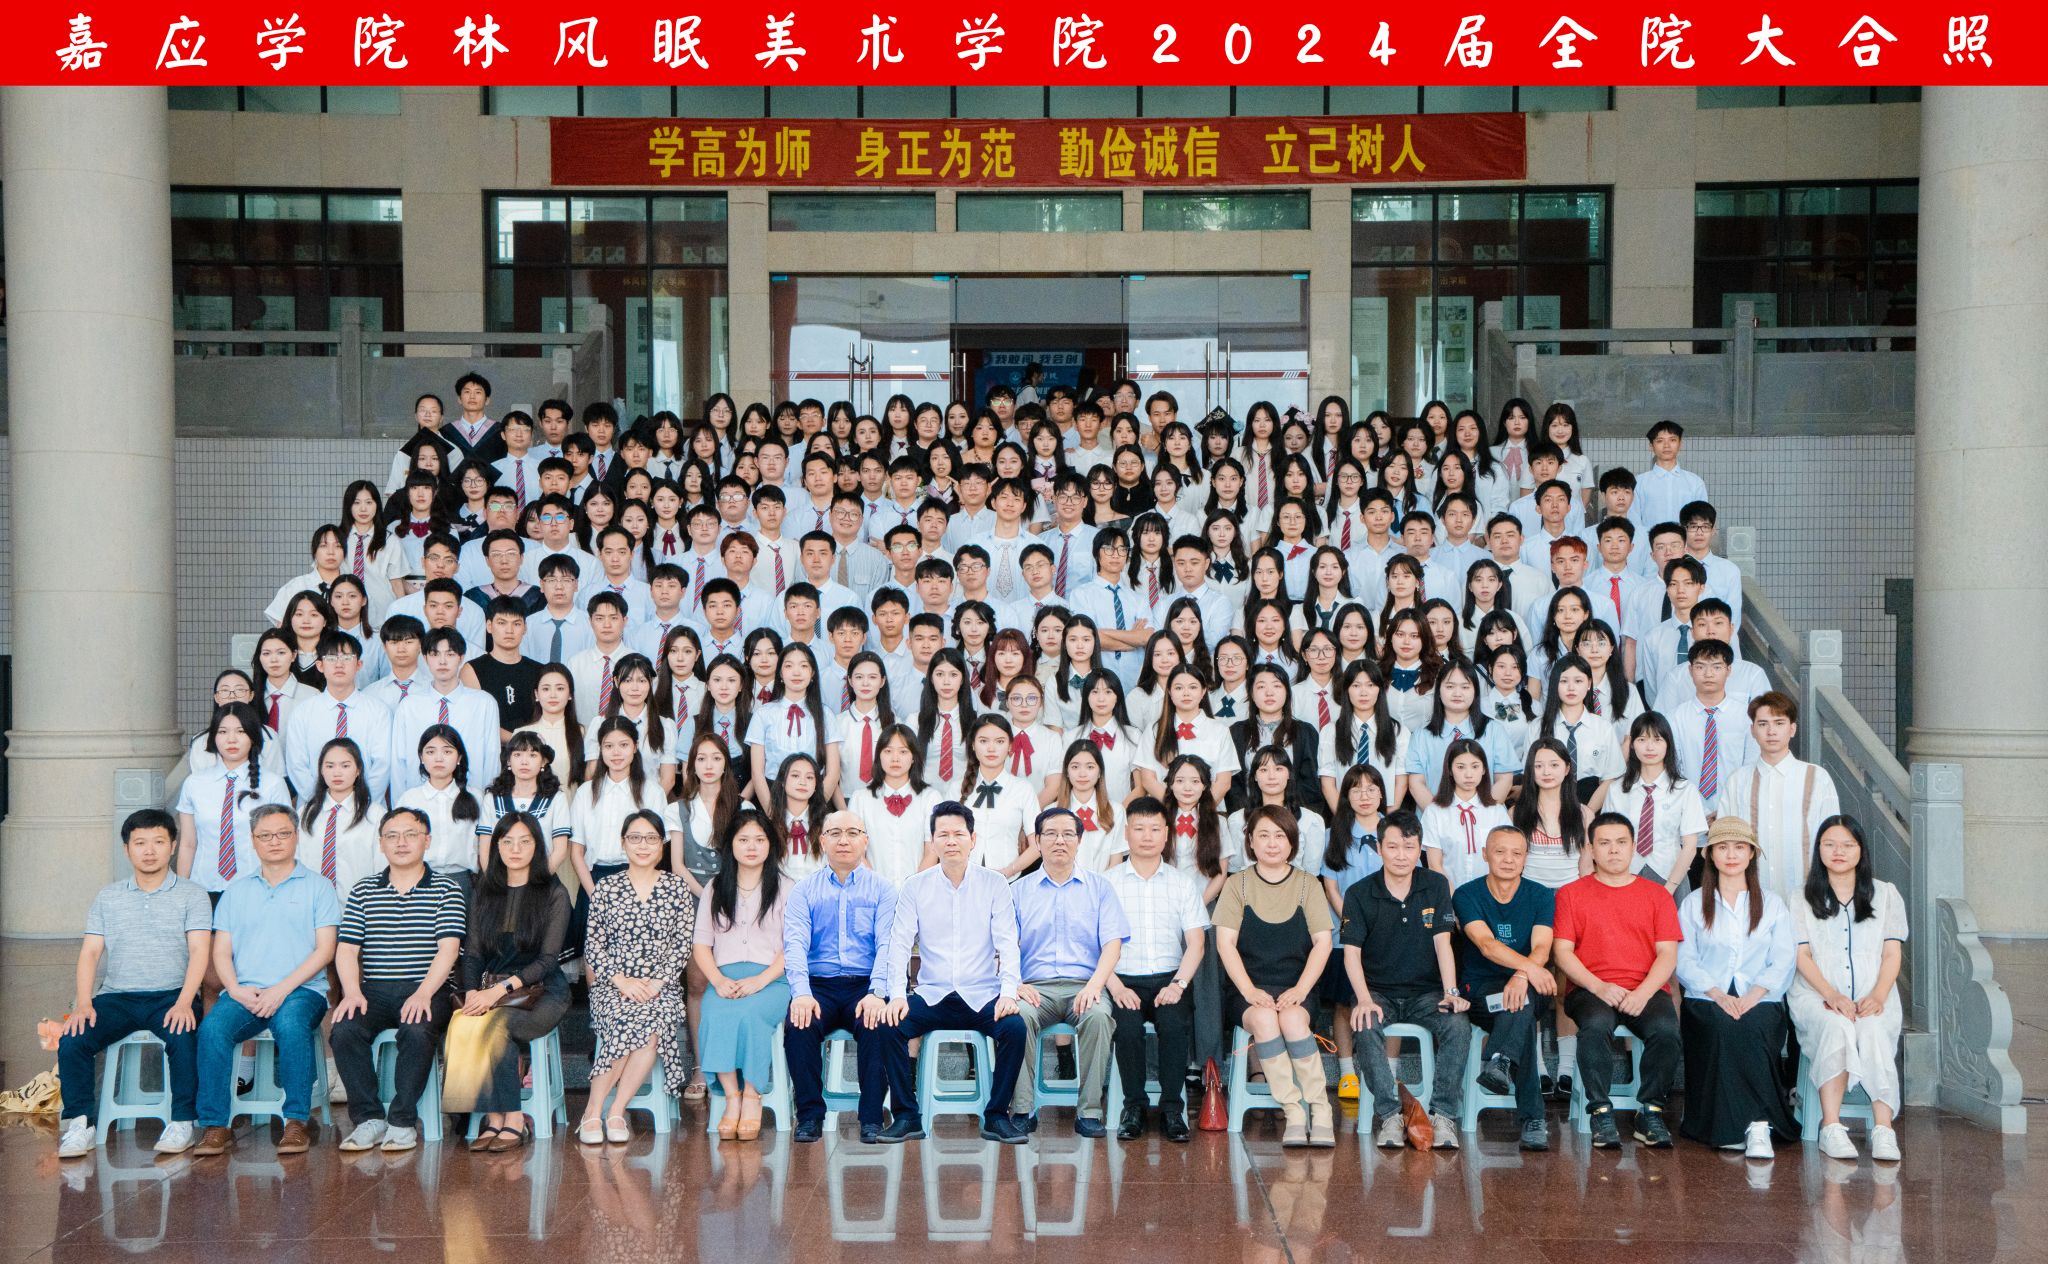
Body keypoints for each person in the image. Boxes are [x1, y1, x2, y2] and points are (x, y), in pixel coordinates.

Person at [56, 809, 214, 1158]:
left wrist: (185, 1001)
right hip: (117, 997)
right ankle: (80, 1123)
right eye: (140, 843)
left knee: (183, 1036)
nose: (149, 851)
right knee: (73, 1039)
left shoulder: (192, 894)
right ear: (127, 849)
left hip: (171, 995)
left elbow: (199, 951)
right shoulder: (108, 897)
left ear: (173, 846)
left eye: (158, 842)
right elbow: (90, 953)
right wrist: (84, 1002)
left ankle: (182, 1122)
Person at [874, 802, 1032, 1145]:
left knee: (1014, 1028)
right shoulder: (915, 886)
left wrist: (1008, 993)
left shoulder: (994, 884)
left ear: (973, 839)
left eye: (958, 834)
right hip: (933, 995)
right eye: (942, 834)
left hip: (982, 994)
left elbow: (1008, 943)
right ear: (932, 841)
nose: (950, 841)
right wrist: (897, 995)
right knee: (889, 1025)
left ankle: (996, 1116)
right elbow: (899, 944)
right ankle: (906, 1116)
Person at [192, 804, 343, 1158]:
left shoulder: (319, 887)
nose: (274, 841)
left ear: (296, 837)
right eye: (265, 835)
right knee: (212, 1029)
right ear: (253, 840)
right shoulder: (236, 891)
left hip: (302, 991)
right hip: (246, 991)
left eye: (282, 834)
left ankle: (296, 1121)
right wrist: (235, 989)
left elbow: (325, 950)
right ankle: (215, 1125)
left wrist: (281, 989)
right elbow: (221, 952)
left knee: (291, 1025)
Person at [329, 806, 467, 1153]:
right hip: (374, 990)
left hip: (428, 988)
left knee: (417, 1030)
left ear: (427, 840)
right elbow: (347, 949)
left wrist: (423, 993)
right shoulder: (363, 890)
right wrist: (352, 992)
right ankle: (369, 1119)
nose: (401, 842)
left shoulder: (446, 889)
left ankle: (402, 1121)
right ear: (381, 843)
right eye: (392, 836)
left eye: (410, 835)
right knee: (344, 1029)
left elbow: (448, 949)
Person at [1551, 812, 1683, 1150]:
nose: (1613, 850)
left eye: (1621, 842)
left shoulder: (1657, 895)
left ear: (1633, 847)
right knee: (1595, 1027)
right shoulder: (1571, 894)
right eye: (1605, 843)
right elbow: (1562, 952)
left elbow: (1667, 954)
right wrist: (1598, 986)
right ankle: (1600, 1112)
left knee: (1666, 1031)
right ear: (1591, 849)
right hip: (1590, 988)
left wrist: (1643, 993)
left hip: (1645, 988)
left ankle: (1650, 1112)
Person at [1342, 809, 1470, 1150]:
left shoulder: (1435, 885)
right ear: (1379, 848)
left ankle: (1443, 1115)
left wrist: (1450, 991)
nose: (1401, 855)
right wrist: (1364, 998)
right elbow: (1351, 954)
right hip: (1378, 992)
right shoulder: (1359, 893)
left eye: (1409, 847)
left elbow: (1443, 942)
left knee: (1457, 1023)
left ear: (1419, 850)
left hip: (1426, 993)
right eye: (1393, 847)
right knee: (1365, 1023)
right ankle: (1390, 1115)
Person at [1674, 816, 1798, 1158]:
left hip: (1762, 999)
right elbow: (1684, 959)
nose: (1731, 855)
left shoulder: (1771, 904)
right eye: (1723, 847)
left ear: (1751, 854)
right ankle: (1742, 1124)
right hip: (1705, 997)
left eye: (1740, 847)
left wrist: (1753, 996)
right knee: (1723, 1025)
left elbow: (1783, 959)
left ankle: (1757, 1126)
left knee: (1752, 1026)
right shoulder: (1694, 903)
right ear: (1710, 854)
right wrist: (1717, 994)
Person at [450, 812, 573, 1151]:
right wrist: (472, 992)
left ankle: (514, 1119)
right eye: (507, 842)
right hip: (492, 987)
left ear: (537, 847)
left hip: (543, 991)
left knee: (496, 1025)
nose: (515, 849)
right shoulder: (484, 892)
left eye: (524, 842)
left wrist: (499, 991)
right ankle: (492, 1118)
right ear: (496, 847)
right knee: (464, 1021)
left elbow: (548, 961)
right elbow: (473, 953)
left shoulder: (553, 892)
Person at [1214, 805, 1335, 1148]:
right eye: (1263, 835)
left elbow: (1323, 943)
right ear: (1250, 842)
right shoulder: (1237, 884)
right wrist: (1249, 990)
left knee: (1294, 1020)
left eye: (1280, 836)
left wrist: (1301, 989)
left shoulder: (1308, 885)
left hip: (1297, 988)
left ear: (1292, 842)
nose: (1271, 843)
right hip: (1247, 990)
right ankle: (1294, 1112)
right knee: (1266, 1020)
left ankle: (1320, 1109)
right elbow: (1225, 944)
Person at [1007, 806, 1131, 1138]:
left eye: (1067, 834)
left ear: (1079, 840)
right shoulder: (1018, 891)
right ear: (1036, 841)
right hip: (1035, 987)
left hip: (1084, 985)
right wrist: (1015, 983)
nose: (1059, 841)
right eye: (1050, 834)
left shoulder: (1100, 887)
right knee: (1017, 1016)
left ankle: (1089, 1112)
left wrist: (1095, 985)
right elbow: (1002, 945)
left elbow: (1113, 945)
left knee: (1099, 1017)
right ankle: (1022, 1109)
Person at [1791, 815, 1907, 1163]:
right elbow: (1802, 955)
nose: (1838, 852)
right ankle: (1831, 1127)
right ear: (1818, 849)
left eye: (1847, 845)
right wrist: (1831, 995)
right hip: (1817, 995)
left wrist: (1878, 996)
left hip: (1874, 993)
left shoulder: (1886, 894)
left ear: (1861, 850)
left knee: (1871, 1029)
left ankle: (1883, 1129)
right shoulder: (1800, 897)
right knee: (1837, 1026)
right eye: (1829, 844)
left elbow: (1891, 953)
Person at [582, 810, 696, 1144]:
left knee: (651, 1023)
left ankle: (615, 1110)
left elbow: (682, 944)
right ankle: (592, 1111)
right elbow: (594, 946)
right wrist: (622, 981)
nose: (642, 845)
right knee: (623, 1017)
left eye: (650, 838)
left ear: (662, 845)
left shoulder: (676, 888)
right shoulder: (606, 888)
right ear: (623, 843)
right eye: (635, 838)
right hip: (612, 985)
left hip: (661, 987)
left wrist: (656, 983)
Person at [783, 810, 897, 1144]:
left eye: (852, 833)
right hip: (818, 985)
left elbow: (888, 944)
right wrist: (801, 992)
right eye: (834, 833)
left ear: (865, 840)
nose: (843, 840)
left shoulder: (883, 889)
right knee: (799, 1024)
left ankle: (872, 1118)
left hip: (866, 984)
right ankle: (809, 1116)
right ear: (822, 841)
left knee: (878, 1025)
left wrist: (877, 992)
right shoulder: (804, 890)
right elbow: (794, 943)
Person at [1105, 797, 1207, 1142]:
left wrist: (1179, 984)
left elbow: (1196, 943)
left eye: (1154, 829)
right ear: (1126, 833)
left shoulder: (1182, 883)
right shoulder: (1108, 883)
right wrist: (1116, 986)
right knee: (1127, 1029)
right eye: (1139, 829)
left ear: (1167, 834)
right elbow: (1094, 945)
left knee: (1175, 1025)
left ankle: (1172, 1109)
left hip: (1169, 979)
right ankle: (1133, 1107)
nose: (1146, 836)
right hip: (1123, 979)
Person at [1453, 824, 1558, 1151]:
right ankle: (1533, 1119)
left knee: (1522, 1001)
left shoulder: (1541, 895)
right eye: (1500, 852)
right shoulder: (1467, 894)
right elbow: (1486, 945)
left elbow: (1542, 947)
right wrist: (1529, 970)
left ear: (1526, 858)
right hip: (1481, 991)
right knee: (1520, 1011)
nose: (1508, 859)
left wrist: (1522, 975)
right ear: (1485, 854)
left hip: (1529, 987)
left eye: (1517, 853)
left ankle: (1499, 1060)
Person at [694, 808, 792, 1141]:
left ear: (771, 845)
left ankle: (752, 1095)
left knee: (750, 1015)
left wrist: (760, 981)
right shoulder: (715, 887)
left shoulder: (787, 888)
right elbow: (701, 945)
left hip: (772, 980)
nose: (752, 847)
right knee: (714, 1013)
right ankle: (731, 1097)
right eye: (743, 840)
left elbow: (794, 947)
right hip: (725, 979)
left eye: (759, 840)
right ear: (730, 845)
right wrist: (718, 981)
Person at [1715, 692, 1842, 904]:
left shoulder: (1816, 777)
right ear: (1753, 730)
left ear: (1792, 729)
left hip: (1808, 895)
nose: (1771, 731)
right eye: (1763, 724)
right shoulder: (1738, 781)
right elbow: (1723, 838)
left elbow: (1832, 837)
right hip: (1751, 896)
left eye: (1779, 723)